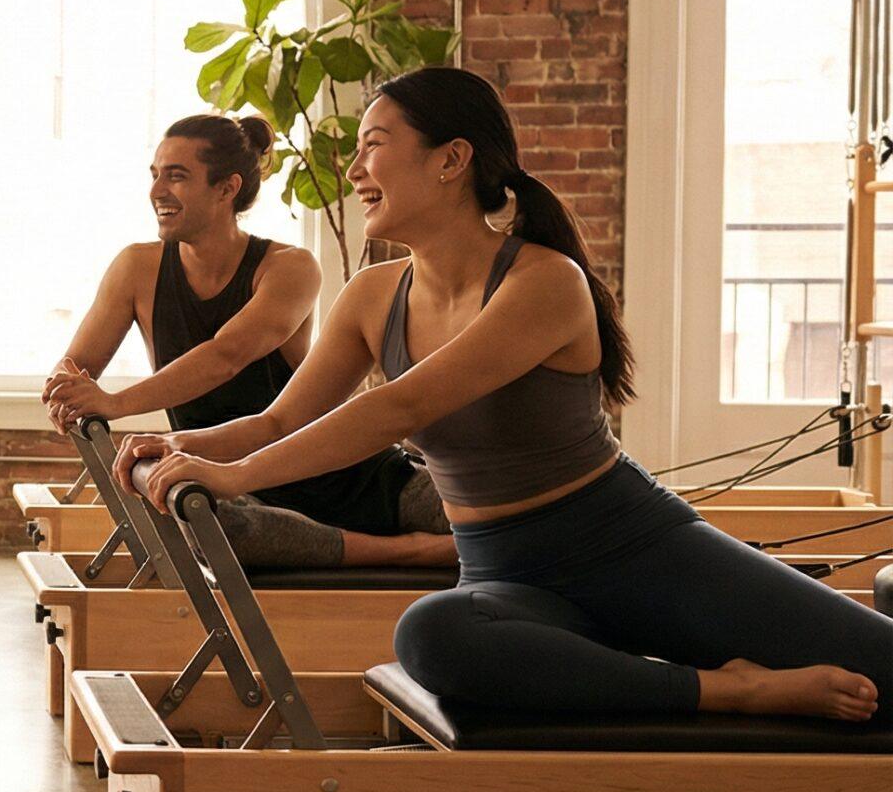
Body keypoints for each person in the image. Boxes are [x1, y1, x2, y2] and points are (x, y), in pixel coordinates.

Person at [120, 66, 890, 722]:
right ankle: (733, 691)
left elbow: (400, 408)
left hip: (636, 553)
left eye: (373, 148)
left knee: (886, 672)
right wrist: (182, 446)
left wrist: (236, 478)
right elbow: (282, 417)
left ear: (451, 159)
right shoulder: (372, 296)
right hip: (502, 573)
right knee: (433, 636)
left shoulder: (542, 283)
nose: (354, 171)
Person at [45, 113, 451, 568]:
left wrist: (115, 404)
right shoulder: (136, 269)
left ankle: (411, 546)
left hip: (351, 477)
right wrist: (66, 390)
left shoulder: (290, 268)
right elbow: (75, 367)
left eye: (176, 176)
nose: (157, 190)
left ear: (227, 188)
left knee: (495, 518)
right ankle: (407, 552)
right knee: (213, 527)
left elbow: (226, 355)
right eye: (155, 174)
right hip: (241, 488)